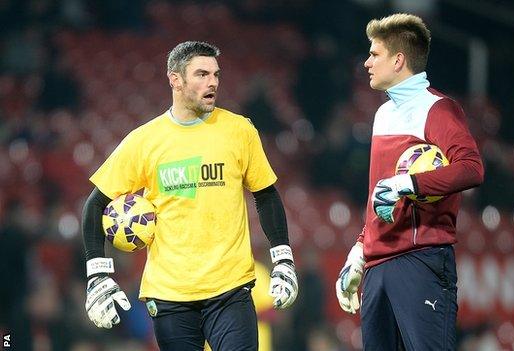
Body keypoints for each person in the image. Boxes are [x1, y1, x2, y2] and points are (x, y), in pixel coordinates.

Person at [81, 41, 298, 351]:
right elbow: (95, 206)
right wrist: (98, 276)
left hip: (231, 289)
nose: (212, 82)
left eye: (216, 75)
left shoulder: (240, 131)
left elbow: (266, 194)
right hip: (170, 296)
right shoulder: (144, 140)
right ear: (176, 80)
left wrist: (283, 258)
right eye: (201, 74)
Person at [335, 14, 484, 350]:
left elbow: (472, 168)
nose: (367, 62)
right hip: (378, 266)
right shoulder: (383, 114)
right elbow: (378, 196)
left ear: (398, 60)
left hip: (420, 260)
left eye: (375, 54)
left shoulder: (439, 109)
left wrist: (409, 184)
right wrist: (359, 252)